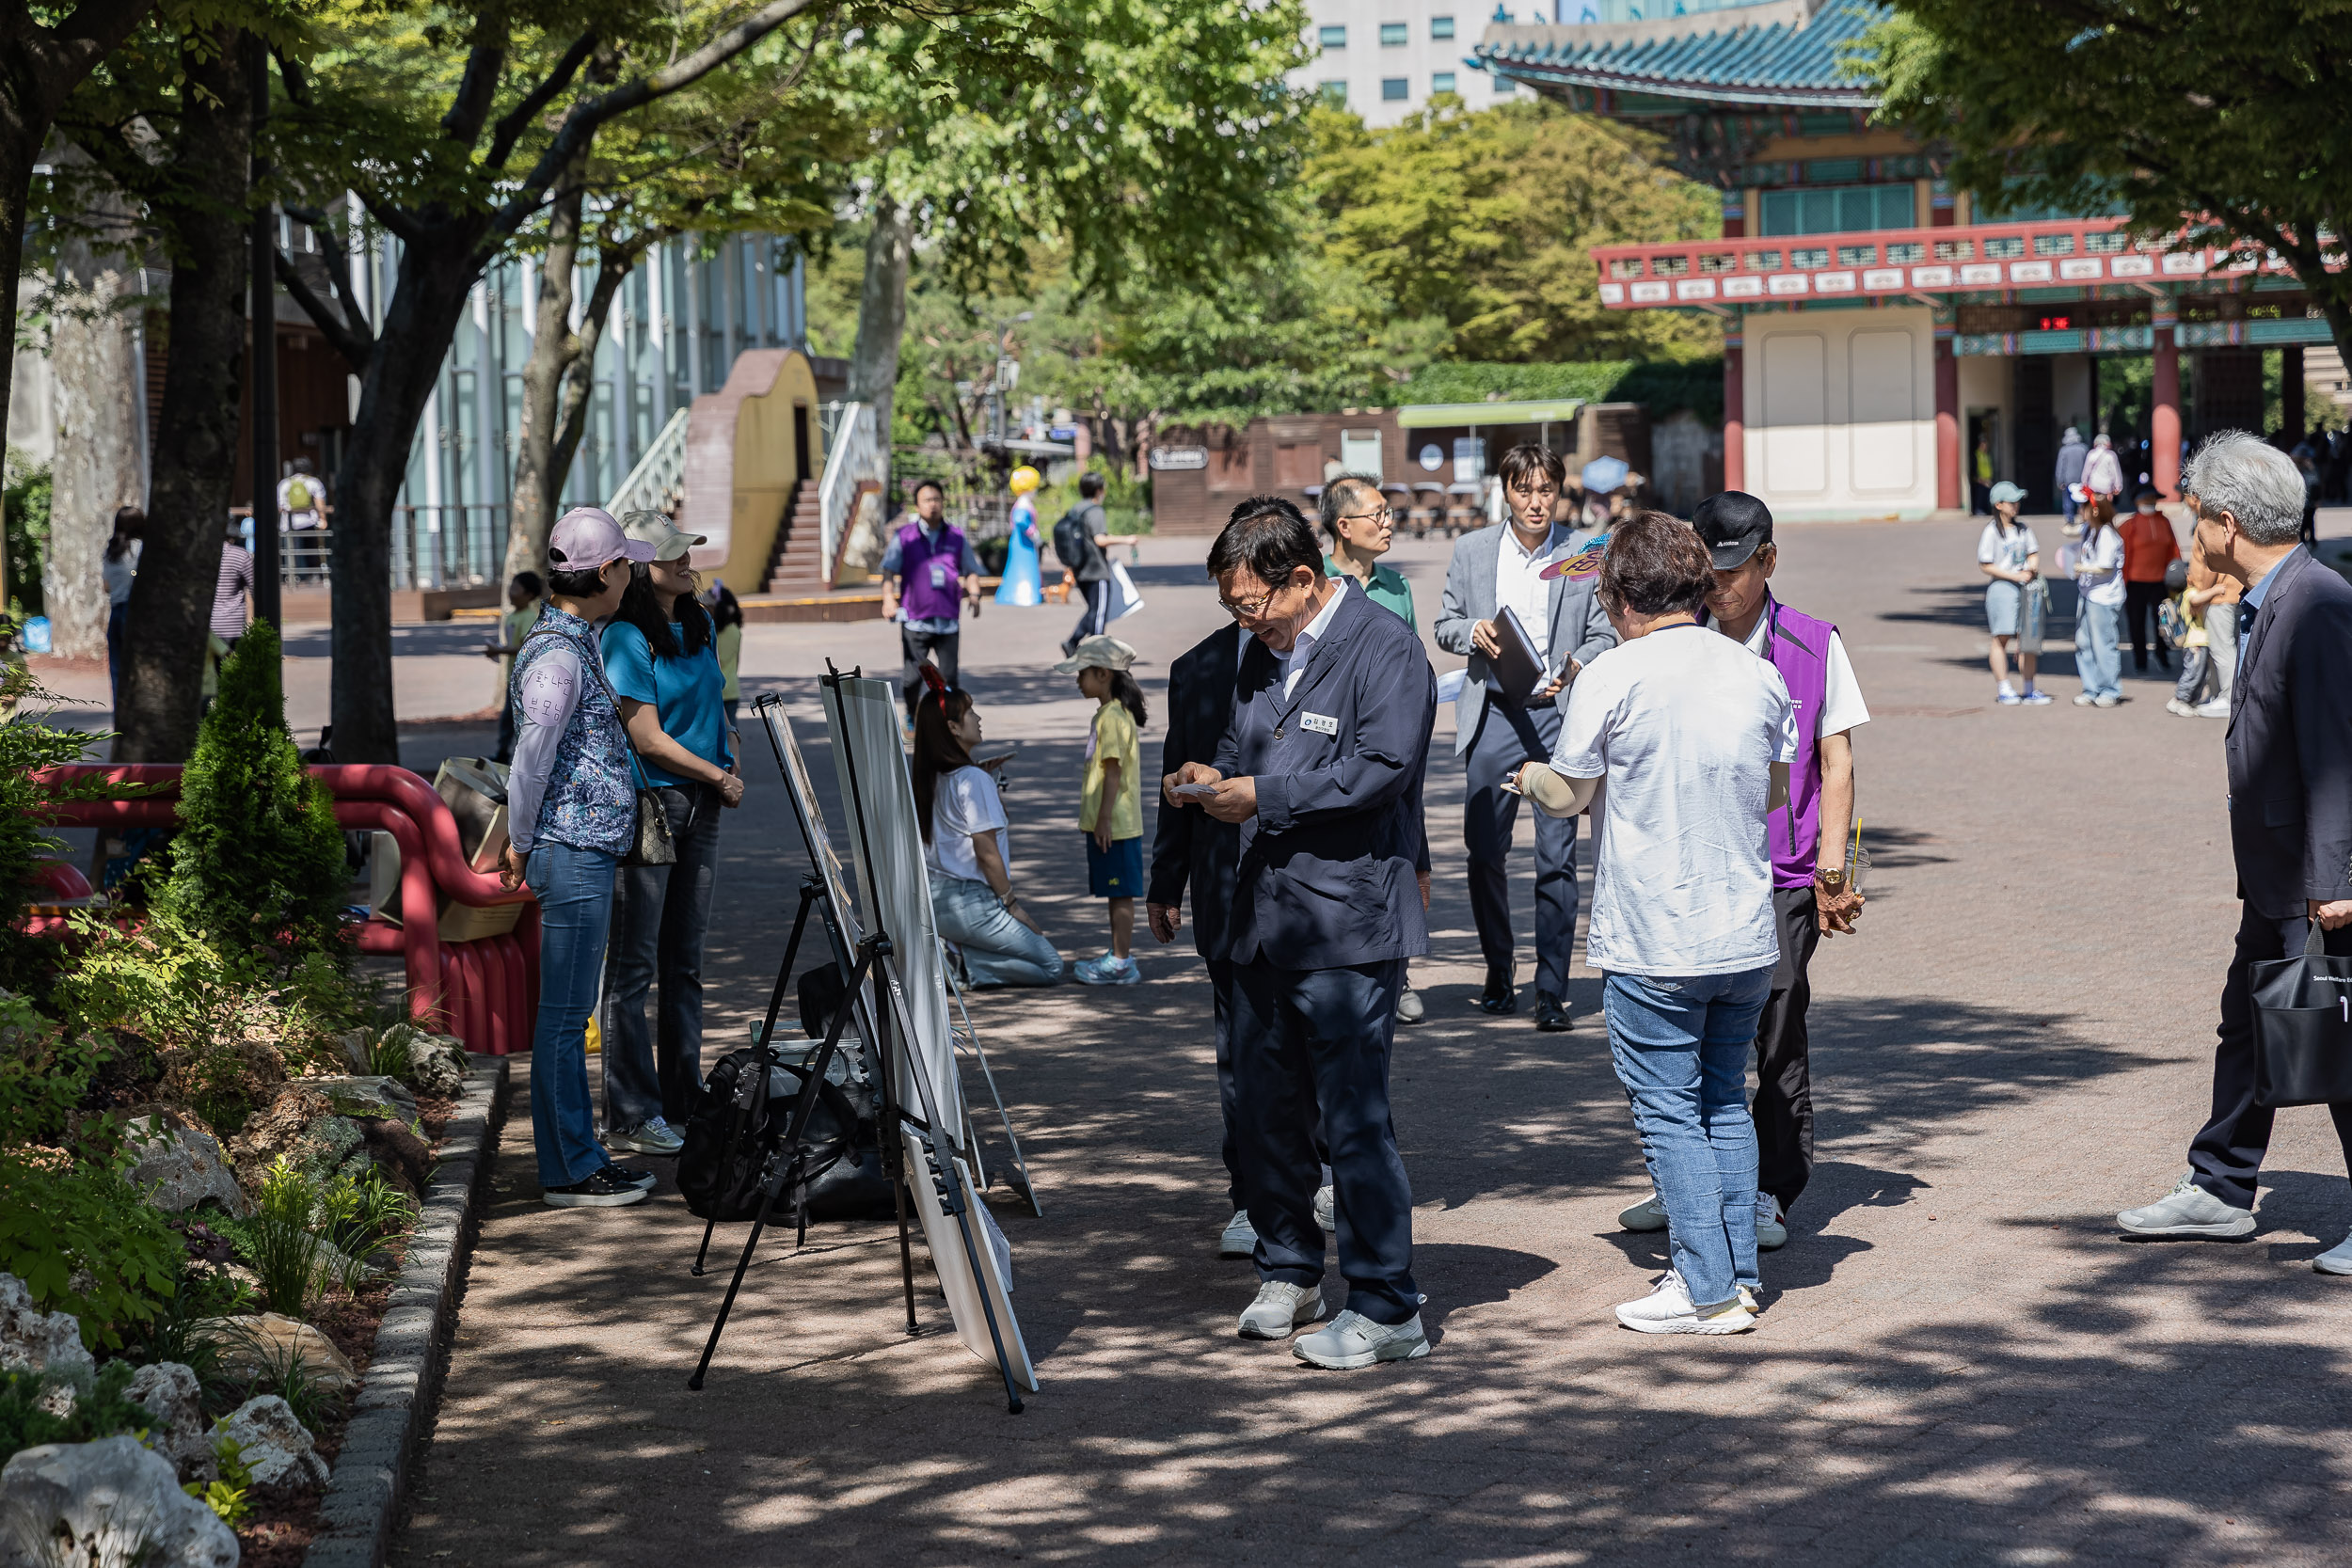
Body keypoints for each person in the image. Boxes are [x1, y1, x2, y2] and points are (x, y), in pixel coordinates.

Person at [1166, 497, 1437, 1370]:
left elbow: (1381, 771)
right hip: (1259, 922)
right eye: (1234, 610)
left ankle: (1388, 1302)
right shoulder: (1259, 655)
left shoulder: (1386, 648)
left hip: (1346, 926)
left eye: (1254, 605)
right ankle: (1289, 1267)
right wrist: (1214, 776)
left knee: (1354, 1121)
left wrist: (1266, 796)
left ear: (1305, 580)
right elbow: (1249, 747)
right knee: (1264, 1112)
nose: (1248, 624)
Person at [1509, 512, 1795, 1334]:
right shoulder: (1758, 671)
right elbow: (1775, 792)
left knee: (1668, 1108)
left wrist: (1528, 776)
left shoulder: (1611, 674)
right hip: (1742, 929)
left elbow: (1570, 794)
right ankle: (1735, 1273)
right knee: (1723, 1102)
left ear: (1617, 595)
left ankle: (1703, 1286)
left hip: (1656, 933)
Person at [2117, 431, 2352, 1273]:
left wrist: (2336, 878)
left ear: (2224, 522)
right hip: (2277, 871)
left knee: (2328, 1033)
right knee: (2251, 1022)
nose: (2192, 534)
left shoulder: (2316, 602)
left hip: (2313, 877)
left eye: (2195, 518)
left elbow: (2336, 748)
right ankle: (2220, 1185)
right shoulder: (2274, 597)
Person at [1669, 492, 1869, 1254]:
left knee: (1776, 1027)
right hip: (1699, 864)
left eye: (1734, 569)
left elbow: (1837, 757)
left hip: (1784, 871)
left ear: (1769, 562)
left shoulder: (1816, 643)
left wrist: (1831, 867)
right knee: (1685, 1029)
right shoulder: (1677, 641)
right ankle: (1684, 1181)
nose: (1719, 585)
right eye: (1706, 570)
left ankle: (1769, 1189)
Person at [495, 507, 660, 1209]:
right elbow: (530, 760)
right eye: (626, 563)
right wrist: (523, 840)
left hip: (577, 847)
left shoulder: (570, 639)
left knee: (566, 1015)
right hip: (571, 850)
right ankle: (569, 1166)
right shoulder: (559, 655)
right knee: (564, 1017)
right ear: (603, 573)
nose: (633, 573)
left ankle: (580, 1155)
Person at [1433, 443, 1617, 1028]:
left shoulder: (1585, 551)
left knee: (1556, 859)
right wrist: (1473, 632)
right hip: (1492, 714)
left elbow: (1604, 632)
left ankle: (1551, 986)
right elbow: (1444, 624)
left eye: (1547, 491)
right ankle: (1496, 970)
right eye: (1524, 490)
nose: (1536, 502)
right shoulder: (1473, 549)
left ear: (1559, 494)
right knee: (1485, 852)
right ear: (1505, 492)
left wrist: (1576, 666)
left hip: (1556, 718)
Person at [597, 512, 746, 1157]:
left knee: (685, 962)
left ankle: (683, 1101)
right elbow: (646, 736)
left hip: (704, 802)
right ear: (638, 568)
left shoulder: (701, 620)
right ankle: (632, 1109)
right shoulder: (627, 635)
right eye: (672, 556)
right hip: (652, 806)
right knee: (634, 967)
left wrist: (730, 748)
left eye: (687, 552)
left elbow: (714, 704)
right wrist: (718, 771)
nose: (687, 562)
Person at [1149, 606, 1255, 1258]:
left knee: (1313, 1046)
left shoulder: (1330, 652)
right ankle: (1249, 1196)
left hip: (1312, 898)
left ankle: (1319, 1167)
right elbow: (1175, 779)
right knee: (1239, 1049)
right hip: (1225, 890)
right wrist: (1167, 881)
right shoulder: (1196, 668)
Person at [1320, 472, 1432, 1027]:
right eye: (1378, 514)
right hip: (1330, 746)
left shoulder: (1397, 586)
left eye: (1389, 513)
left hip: (1390, 745)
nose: (1389, 523)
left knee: (1401, 853)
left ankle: (1401, 971)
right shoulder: (1312, 582)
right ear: (1343, 526)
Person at [916, 677, 1062, 988]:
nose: (978, 718)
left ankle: (957, 952)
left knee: (1031, 951)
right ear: (953, 728)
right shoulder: (971, 780)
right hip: (972, 902)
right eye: (970, 712)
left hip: (935, 899)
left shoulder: (932, 777)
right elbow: (987, 852)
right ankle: (967, 966)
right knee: (1051, 965)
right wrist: (1012, 905)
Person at [1060, 634, 1147, 985]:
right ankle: (1117, 955)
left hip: (1116, 824)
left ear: (1103, 674)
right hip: (1114, 821)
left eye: (1082, 674)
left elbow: (1113, 771)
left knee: (1120, 892)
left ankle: (1122, 961)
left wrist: (1104, 820)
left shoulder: (1112, 716)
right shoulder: (1111, 713)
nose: (1078, 681)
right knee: (1116, 892)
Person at [879, 480, 983, 718]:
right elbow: (888, 570)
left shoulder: (956, 536)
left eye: (937, 499)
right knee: (912, 678)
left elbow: (970, 570)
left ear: (943, 502)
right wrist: (888, 598)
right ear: (917, 505)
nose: (933, 505)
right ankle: (912, 714)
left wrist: (974, 595)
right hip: (915, 618)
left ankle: (950, 722)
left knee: (949, 679)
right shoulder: (904, 536)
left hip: (947, 619)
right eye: (927, 500)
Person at [1976, 483, 2053, 705]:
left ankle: (2029, 688)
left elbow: (2033, 553)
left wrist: (2031, 568)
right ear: (1998, 505)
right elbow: (1985, 564)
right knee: (2001, 637)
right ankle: (2004, 687)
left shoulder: (2023, 529)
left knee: (2028, 640)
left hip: (2026, 588)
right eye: (2011, 502)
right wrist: (2013, 576)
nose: (2016, 506)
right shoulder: (1991, 531)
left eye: (2017, 501)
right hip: (2002, 588)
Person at [2166, 541, 2240, 719]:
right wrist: (2213, 590)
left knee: (2199, 672)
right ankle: (2180, 699)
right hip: (2196, 643)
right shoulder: (2189, 594)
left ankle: (2192, 699)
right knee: (2194, 673)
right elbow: (2196, 600)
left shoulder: (2181, 595)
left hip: (2197, 642)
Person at [2068, 498, 2126, 707]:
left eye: (2083, 506)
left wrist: (2081, 568)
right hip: (2088, 594)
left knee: (2103, 643)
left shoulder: (2107, 534)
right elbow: (2070, 531)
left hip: (2103, 597)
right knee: (2083, 642)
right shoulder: (2089, 531)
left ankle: (2109, 689)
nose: (2079, 510)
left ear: (2094, 510)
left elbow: (2105, 566)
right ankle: (2090, 688)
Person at [2119, 486, 2182, 673]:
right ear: (2137, 502)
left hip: (2159, 581)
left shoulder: (2164, 521)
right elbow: (2122, 555)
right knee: (2136, 623)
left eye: (2153, 499)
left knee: (2162, 621)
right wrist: (2122, 581)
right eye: (2147, 500)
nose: (2151, 503)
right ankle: (2140, 660)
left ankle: (2163, 656)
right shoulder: (2129, 525)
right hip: (2135, 582)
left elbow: (2174, 549)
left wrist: (2176, 576)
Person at [484, 571, 544, 764]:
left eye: (516, 589)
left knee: (520, 719)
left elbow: (526, 646)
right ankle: (503, 752)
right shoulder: (511, 616)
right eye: (511, 587)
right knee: (508, 719)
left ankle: (524, 756)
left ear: (529, 595)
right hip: (513, 677)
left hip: (526, 680)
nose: (511, 592)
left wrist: (500, 650)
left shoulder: (529, 617)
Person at [1057, 471, 1117, 657]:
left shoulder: (1075, 509)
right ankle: (1097, 649)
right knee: (1099, 611)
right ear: (1099, 490)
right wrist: (1127, 540)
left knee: (1093, 610)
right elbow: (1100, 540)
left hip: (1080, 569)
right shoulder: (1095, 511)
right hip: (1096, 570)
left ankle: (1073, 642)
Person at [102, 507, 143, 717]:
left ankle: (121, 715)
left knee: (117, 669)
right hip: (134, 612)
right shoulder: (140, 548)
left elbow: (106, 586)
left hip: (115, 612)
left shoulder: (110, 550)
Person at [995, 470, 1045, 607]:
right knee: (1024, 567)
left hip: (1022, 542)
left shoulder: (1023, 502)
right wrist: (1033, 532)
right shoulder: (1023, 503)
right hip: (1023, 544)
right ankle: (1023, 594)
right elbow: (1020, 519)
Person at [211, 518, 254, 657]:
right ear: (232, 538)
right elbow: (256, 590)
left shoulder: (199, 555)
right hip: (233, 627)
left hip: (208, 626)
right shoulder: (240, 556)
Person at [706, 579, 744, 731]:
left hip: (714, 690)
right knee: (731, 733)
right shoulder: (735, 631)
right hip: (732, 689)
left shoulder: (709, 632)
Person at [278, 456, 327, 531]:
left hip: (287, 525)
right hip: (309, 523)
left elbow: (280, 507)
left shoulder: (284, 483)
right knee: (310, 542)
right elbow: (320, 504)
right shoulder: (314, 482)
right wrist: (323, 520)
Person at [2080, 433, 2125, 513]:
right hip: (2106, 487)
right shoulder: (2111, 455)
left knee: (2094, 507)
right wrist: (2118, 486)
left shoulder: (2091, 454)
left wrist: (2084, 483)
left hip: (2093, 485)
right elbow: (2115, 472)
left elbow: (2086, 471)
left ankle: (2095, 521)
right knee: (2106, 507)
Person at [2055, 426, 2089, 529]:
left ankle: (2070, 520)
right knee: (2082, 500)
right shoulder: (2084, 448)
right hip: (2081, 478)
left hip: (2068, 479)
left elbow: (2060, 467)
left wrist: (2060, 481)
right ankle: (2084, 517)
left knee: (2068, 501)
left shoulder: (2063, 450)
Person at [1972, 435, 1994, 515]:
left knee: (1987, 497)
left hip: (1987, 480)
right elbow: (1974, 468)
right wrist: (1979, 479)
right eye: (1983, 445)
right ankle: (1978, 510)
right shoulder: (1976, 455)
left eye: (1986, 445)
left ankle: (1985, 510)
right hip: (1980, 480)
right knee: (1980, 496)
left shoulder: (1987, 455)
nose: (1985, 447)